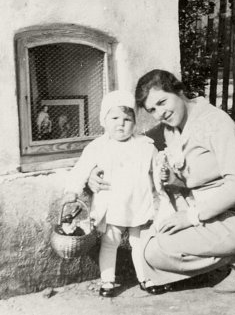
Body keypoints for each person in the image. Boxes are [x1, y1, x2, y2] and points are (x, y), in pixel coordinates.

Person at [88, 70, 235, 294]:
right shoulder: (169, 129)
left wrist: (190, 217)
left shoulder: (216, 123)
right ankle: (225, 253)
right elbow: (129, 143)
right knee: (148, 245)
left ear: (180, 91)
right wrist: (95, 169)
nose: (160, 113)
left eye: (162, 102)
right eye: (152, 110)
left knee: (154, 252)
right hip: (208, 211)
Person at [63, 90, 165, 298]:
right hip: (114, 204)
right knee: (111, 242)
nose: (121, 124)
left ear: (134, 122)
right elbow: (82, 168)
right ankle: (108, 280)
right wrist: (73, 190)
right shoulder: (99, 146)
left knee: (140, 242)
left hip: (138, 203)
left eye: (127, 119)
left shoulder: (145, 145)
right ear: (104, 120)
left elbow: (156, 168)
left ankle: (145, 278)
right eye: (115, 118)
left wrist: (161, 192)